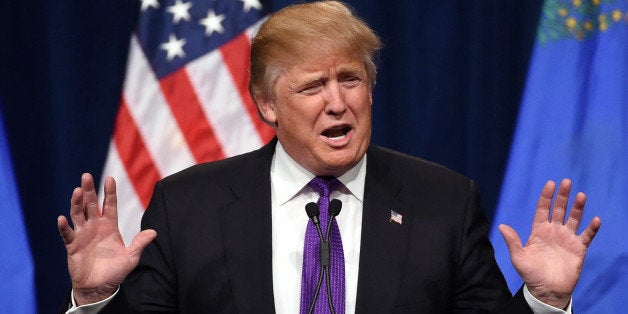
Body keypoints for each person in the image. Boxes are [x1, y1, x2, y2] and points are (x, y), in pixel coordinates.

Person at [57, 1, 601, 313]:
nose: (338, 102)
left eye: (351, 80)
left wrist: (545, 301)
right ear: (267, 103)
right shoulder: (187, 205)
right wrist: (94, 299)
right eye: (314, 85)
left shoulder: (444, 204)